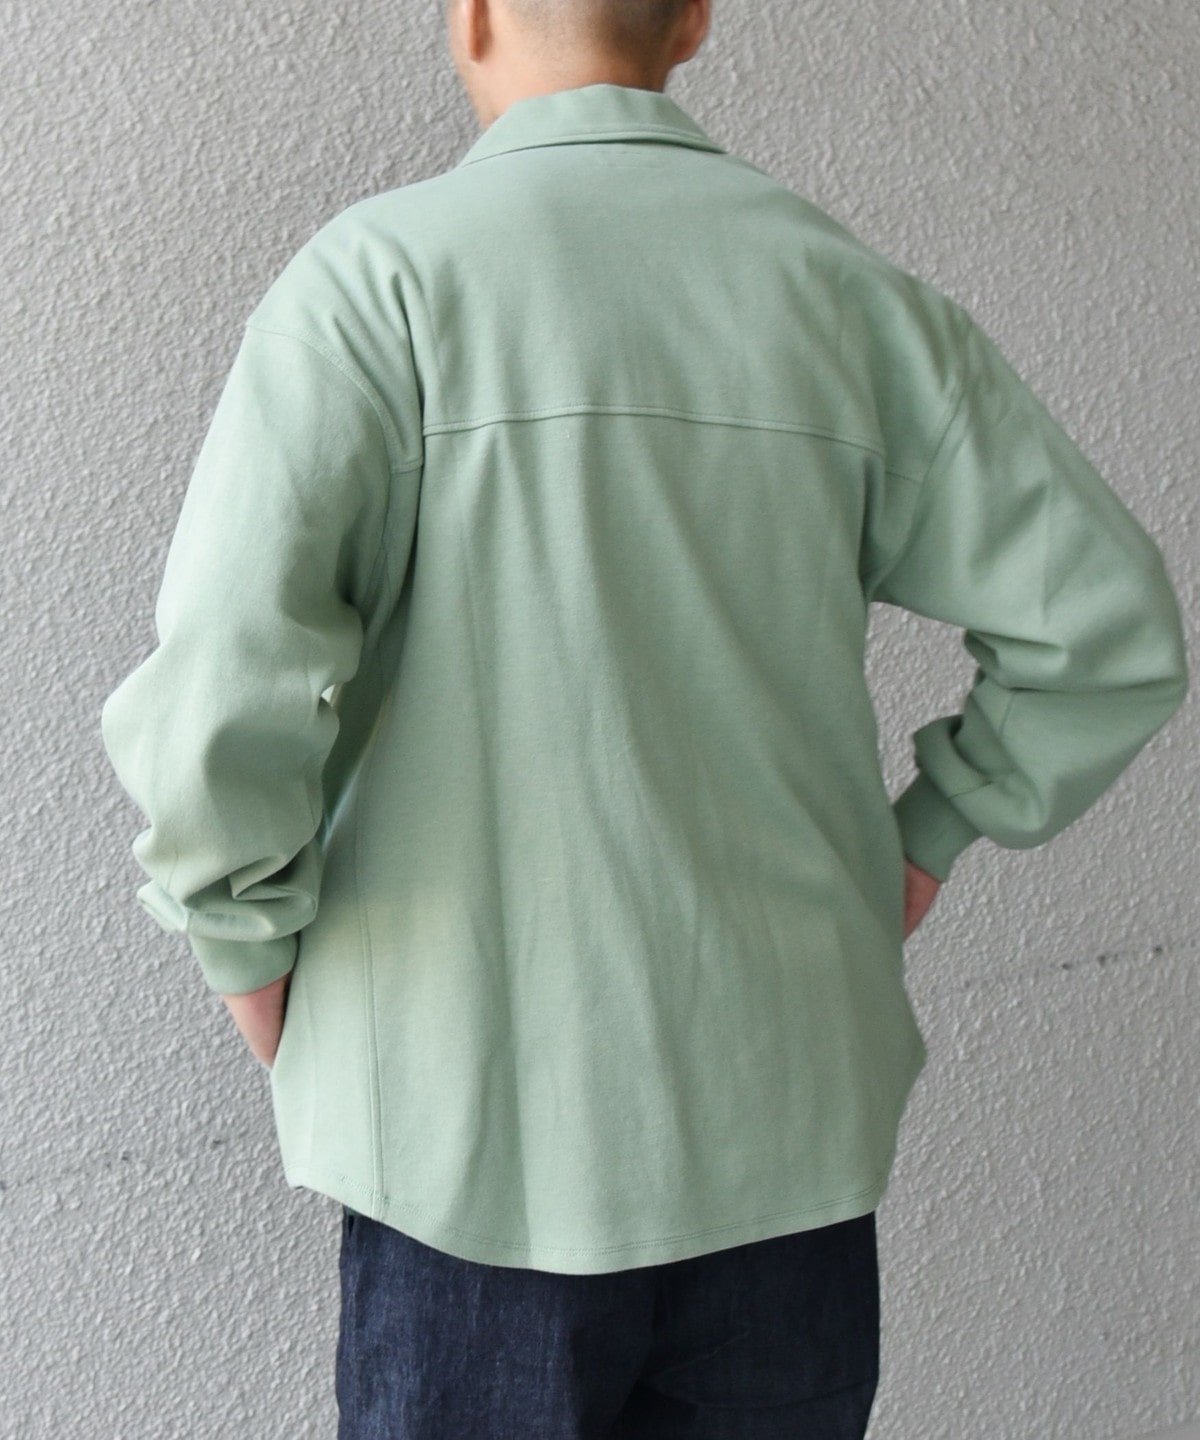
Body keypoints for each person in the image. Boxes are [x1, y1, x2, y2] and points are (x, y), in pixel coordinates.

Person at [99, 0, 1189, 1434]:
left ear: (470, 15)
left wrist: (244, 944)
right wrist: (927, 834)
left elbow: (225, 680)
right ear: (696, 22)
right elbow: (1106, 629)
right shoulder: (850, 300)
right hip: (785, 1137)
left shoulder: (378, 287)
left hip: (461, 1143)